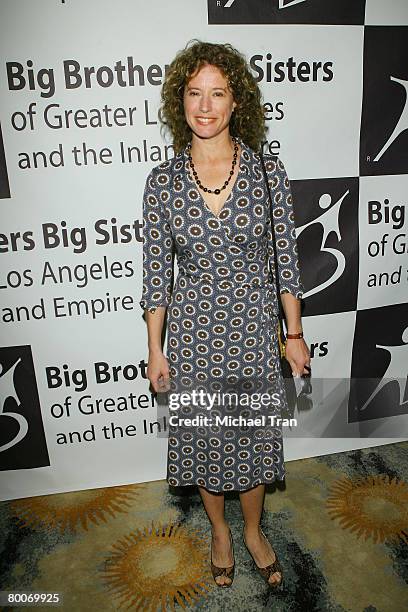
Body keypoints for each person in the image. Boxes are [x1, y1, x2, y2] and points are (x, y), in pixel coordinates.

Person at [139, 40, 311, 589]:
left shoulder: (267, 173)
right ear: (179, 102)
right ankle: (219, 532)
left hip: (254, 332)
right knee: (207, 441)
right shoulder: (162, 183)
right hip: (192, 336)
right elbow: (154, 273)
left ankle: (254, 531)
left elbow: (287, 260)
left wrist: (295, 333)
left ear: (238, 102)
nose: (206, 106)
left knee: (253, 439)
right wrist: (155, 347)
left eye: (218, 93)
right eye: (194, 93)